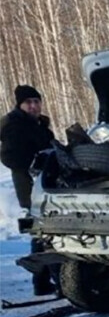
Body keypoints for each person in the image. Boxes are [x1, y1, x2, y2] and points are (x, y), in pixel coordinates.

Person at [1, 85, 57, 295]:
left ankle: (44, 281)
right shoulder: (15, 126)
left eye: (36, 102)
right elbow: (9, 157)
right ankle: (44, 281)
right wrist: (34, 165)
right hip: (30, 186)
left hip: (47, 184)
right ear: (20, 105)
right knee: (43, 231)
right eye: (29, 103)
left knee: (48, 230)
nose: (34, 106)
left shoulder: (39, 125)